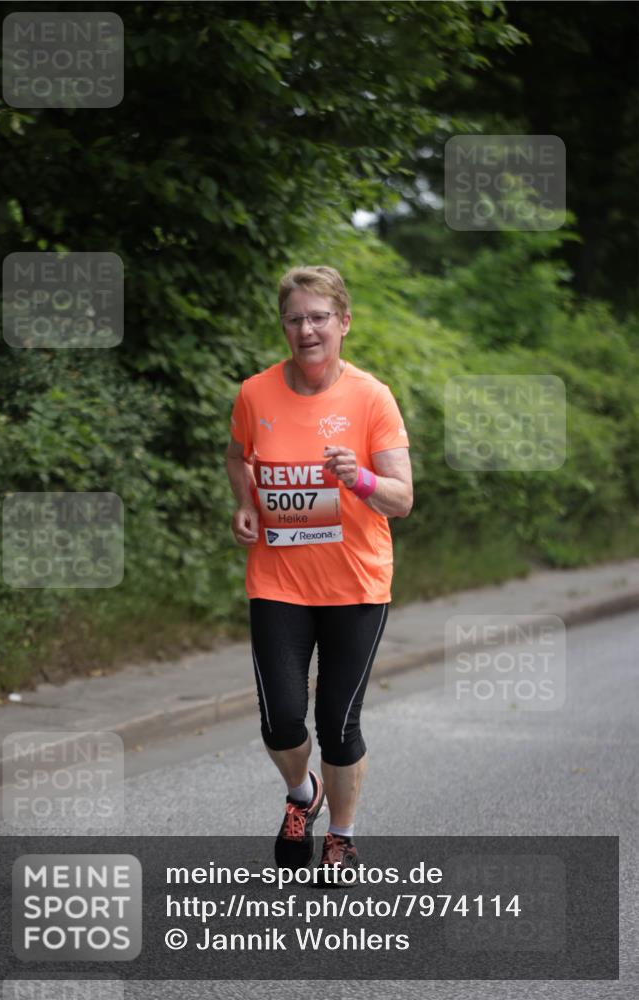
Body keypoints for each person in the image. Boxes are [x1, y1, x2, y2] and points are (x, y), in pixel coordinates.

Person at [226, 265, 412, 882]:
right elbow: (237, 456)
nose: (306, 330)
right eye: (294, 319)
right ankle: (303, 794)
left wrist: (355, 476)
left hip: (356, 584)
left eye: (318, 317)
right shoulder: (256, 393)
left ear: (344, 322)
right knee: (280, 718)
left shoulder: (371, 397)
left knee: (338, 722)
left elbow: (401, 498)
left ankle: (342, 836)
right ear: (283, 325)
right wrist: (247, 504)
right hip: (278, 579)